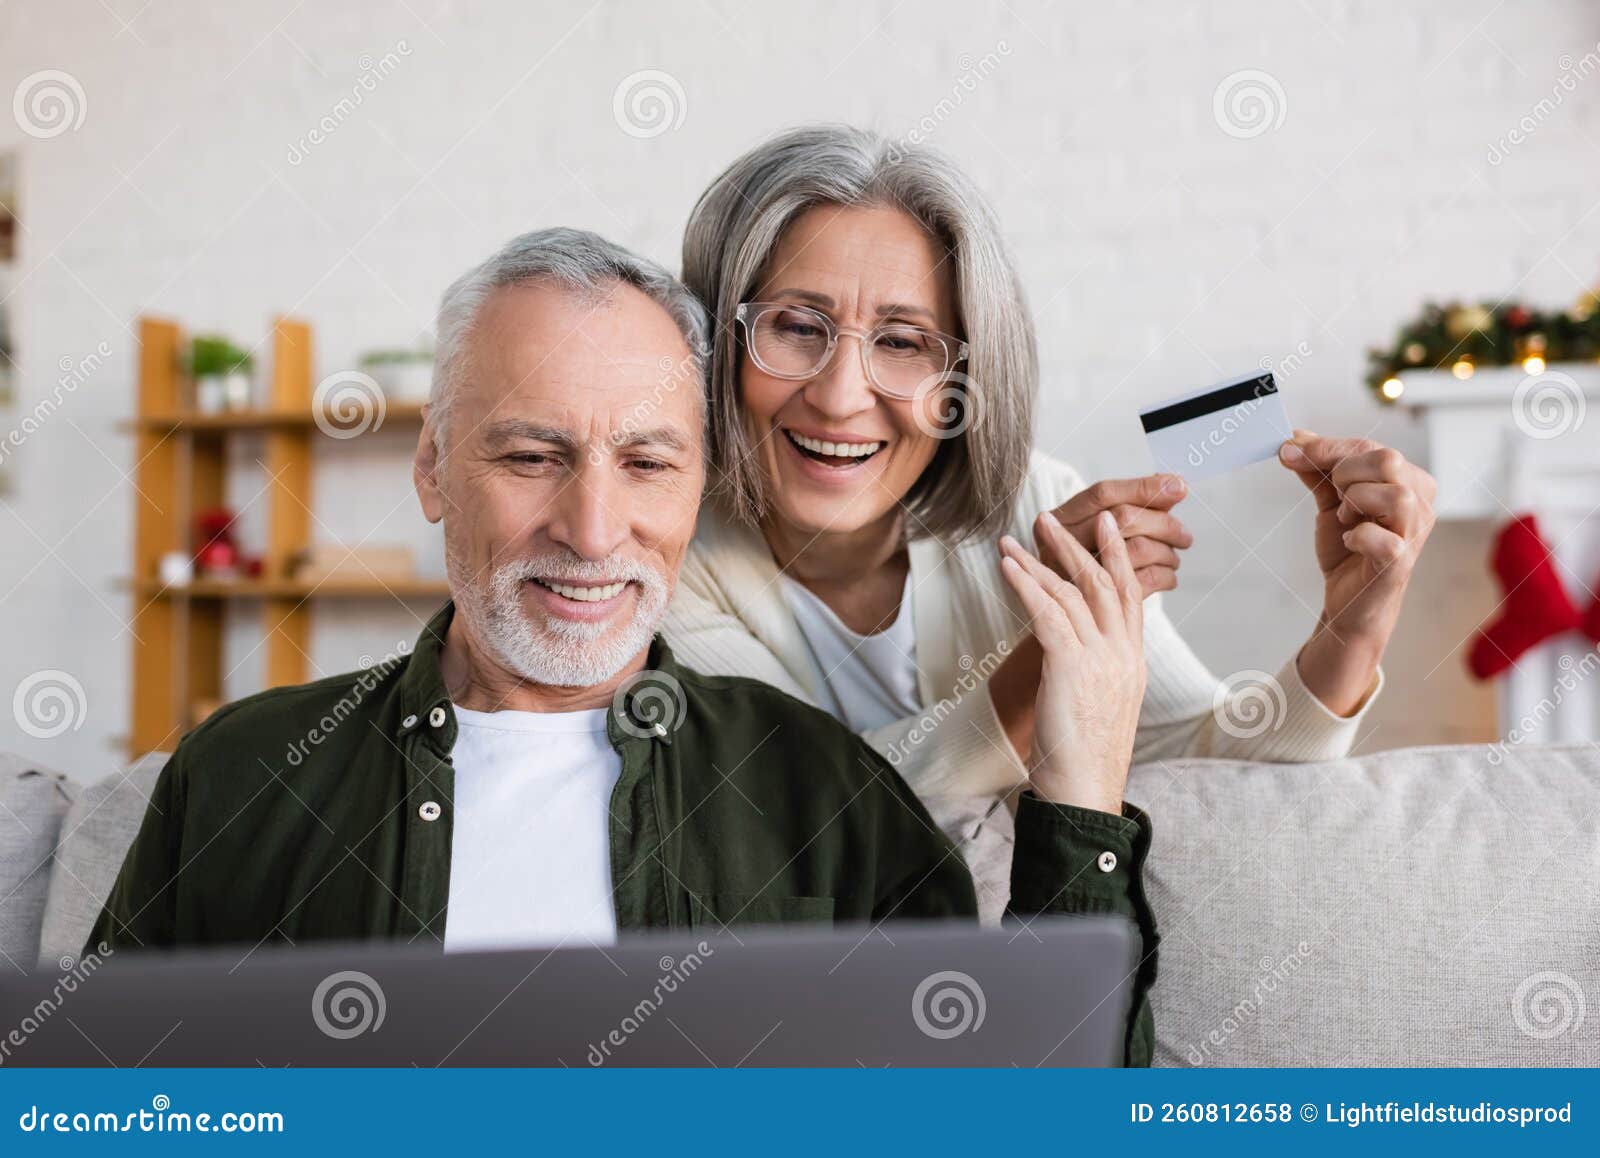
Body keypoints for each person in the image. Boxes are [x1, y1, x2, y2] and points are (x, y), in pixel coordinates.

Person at [89, 227, 1161, 1064]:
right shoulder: (243, 773)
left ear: (700, 484)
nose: (593, 531)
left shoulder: (820, 790)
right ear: (430, 468)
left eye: (647, 463)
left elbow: (1024, 1118)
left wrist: (1078, 793)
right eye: (530, 455)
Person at [664, 124, 1438, 803]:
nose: (838, 397)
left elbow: (1211, 768)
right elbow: (796, 808)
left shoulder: (1033, 502)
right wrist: (1047, 659)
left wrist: (1355, 622)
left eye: (902, 343)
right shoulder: (665, 553)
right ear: (717, 343)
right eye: (797, 327)